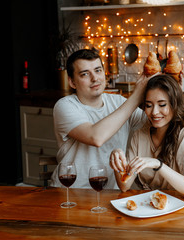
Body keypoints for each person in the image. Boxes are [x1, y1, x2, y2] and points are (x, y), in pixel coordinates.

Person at [51, 48, 153, 189]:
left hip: (110, 194)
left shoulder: (119, 102)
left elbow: (154, 121)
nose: (95, 78)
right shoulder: (65, 106)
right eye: (85, 74)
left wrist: (172, 88)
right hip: (72, 192)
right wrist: (136, 96)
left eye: (98, 70)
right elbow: (96, 137)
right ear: (72, 82)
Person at [109, 74, 184, 199]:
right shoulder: (139, 135)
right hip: (148, 206)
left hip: (179, 208)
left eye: (162, 105)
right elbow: (125, 186)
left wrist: (158, 165)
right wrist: (118, 162)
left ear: (174, 104)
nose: (154, 112)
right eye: (149, 105)